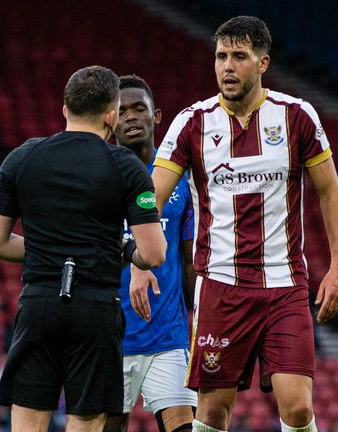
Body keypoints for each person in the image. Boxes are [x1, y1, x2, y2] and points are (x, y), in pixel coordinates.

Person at [151, 16, 338, 432]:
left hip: (284, 283)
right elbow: (152, 194)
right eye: (221, 56)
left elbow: (331, 191)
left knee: (296, 407)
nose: (227, 66)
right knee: (212, 411)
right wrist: (135, 243)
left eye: (239, 57)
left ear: (262, 64)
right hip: (221, 284)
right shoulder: (193, 122)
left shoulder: (296, 116)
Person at [0, 66, 167, 432]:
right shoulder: (126, 166)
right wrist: (122, 247)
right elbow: (154, 254)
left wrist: (49, 250)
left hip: (39, 302)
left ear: (65, 109)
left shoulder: (22, 157)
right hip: (95, 309)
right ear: (111, 115)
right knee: (85, 423)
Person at [103, 75, 198, 432]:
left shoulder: (178, 178)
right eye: (121, 110)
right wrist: (134, 258)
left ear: (156, 116)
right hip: (111, 336)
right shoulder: (98, 176)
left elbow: (189, 260)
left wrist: (199, 325)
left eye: (138, 108)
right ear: (110, 119)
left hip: (168, 335)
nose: (130, 117)